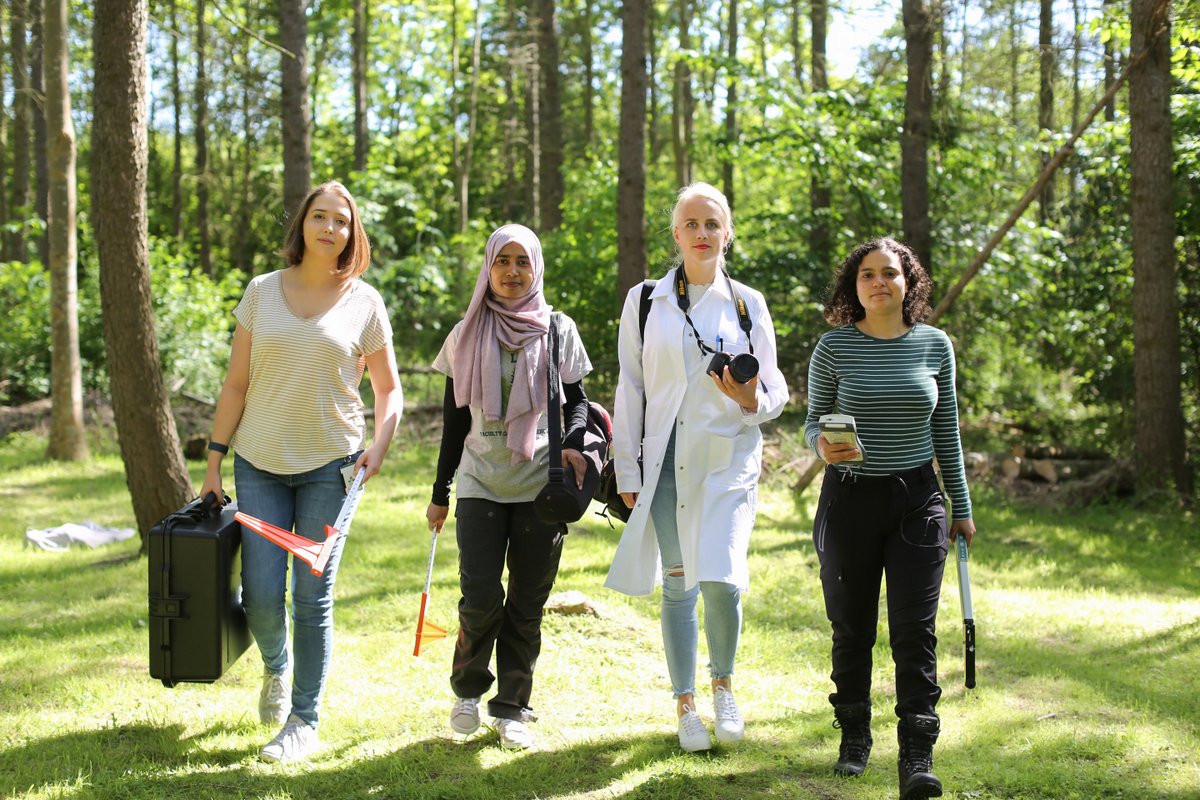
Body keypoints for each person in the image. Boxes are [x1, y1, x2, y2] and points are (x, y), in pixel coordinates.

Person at [199, 180, 401, 764]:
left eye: (341, 220)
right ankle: (276, 666)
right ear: (303, 224)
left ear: (352, 233)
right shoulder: (261, 292)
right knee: (261, 595)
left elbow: (389, 390)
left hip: (331, 469)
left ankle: (303, 720)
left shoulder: (365, 302)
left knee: (312, 596)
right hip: (259, 462)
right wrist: (213, 463)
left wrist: (379, 446)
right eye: (320, 216)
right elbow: (236, 384)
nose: (330, 228)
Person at [605, 182, 789, 752]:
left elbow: (776, 390)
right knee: (680, 583)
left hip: (727, 461)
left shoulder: (748, 304)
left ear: (727, 233)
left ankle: (723, 687)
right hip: (664, 464)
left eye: (712, 223)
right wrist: (628, 470)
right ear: (676, 234)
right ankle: (685, 705)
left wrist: (750, 399)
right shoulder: (645, 301)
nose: (702, 233)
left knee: (723, 578)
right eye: (691, 224)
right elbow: (631, 387)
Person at [805, 237, 976, 799]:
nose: (879, 282)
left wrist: (960, 506)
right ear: (853, 287)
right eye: (867, 274)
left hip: (918, 502)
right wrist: (821, 445)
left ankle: (917, 754)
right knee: (852, 626)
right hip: (848, 501)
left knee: (914, 631)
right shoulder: (834, 347)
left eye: (890, 273)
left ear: (909, 282)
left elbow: (946, 430)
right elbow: (811, 421)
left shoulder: (934, 344)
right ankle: (854, 735)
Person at [425, 224, 592, 751]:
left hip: (541, 486)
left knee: (526, 603)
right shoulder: (466, 332)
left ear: (536, 267)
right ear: (488, 267)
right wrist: (440, 492)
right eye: (503, 261)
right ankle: (468, 691)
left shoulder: (558, 329)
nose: (512, 271)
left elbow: (579, 402)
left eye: (523, 261)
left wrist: (572, 443)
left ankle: (513, 706)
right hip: (480, 482)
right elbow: (455, 421)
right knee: (479, 596)